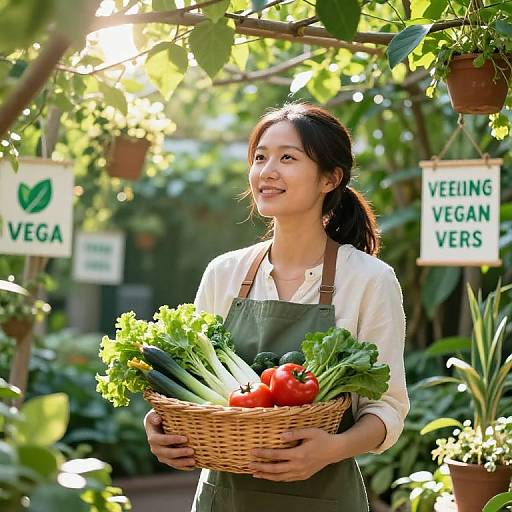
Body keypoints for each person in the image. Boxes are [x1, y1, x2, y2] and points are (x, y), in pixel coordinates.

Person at [144, 102, 409, 511]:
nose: (267, 171)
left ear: (330, 178)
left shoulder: (369, 280)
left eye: (288, 158)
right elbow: (192, 386)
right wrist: (160, 427)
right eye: (260, 157)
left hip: (323, 497)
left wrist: (330, 449)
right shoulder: (225, 273)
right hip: (225, 498)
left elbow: (387, 409)